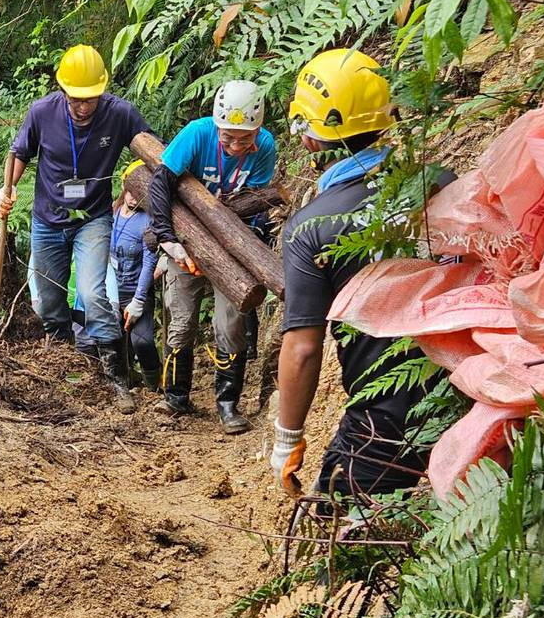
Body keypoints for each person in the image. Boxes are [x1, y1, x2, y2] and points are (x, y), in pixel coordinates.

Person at [270, 49, 432, 501]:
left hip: (386, 411)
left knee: (336, 536)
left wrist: (287, 437)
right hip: (468, 394)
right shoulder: (437, 183)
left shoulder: (312, 226)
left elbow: (303, 349)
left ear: (308, 135)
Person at [0, 44, 152, 413]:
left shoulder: (120, 114)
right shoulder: (41, 112)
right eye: (76, 99)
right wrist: (7, 188)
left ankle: (116, 375)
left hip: (94, 218)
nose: (83, 107)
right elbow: (19, 154)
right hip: (48, 219)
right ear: (63, 90)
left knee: (93, 293)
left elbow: (151, 151)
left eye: (91, 99)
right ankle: (65, 363)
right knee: (49, 300)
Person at [147, 80, 276, 431]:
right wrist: (167, 238)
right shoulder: (196, 134)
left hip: (230, 247)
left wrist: (253, 240)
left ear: (258, 129)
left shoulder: (265, 147)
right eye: (227, 137)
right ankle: (174, 396)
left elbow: (257, 200)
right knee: (182, 319)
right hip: (185, 237)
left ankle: (228, 404)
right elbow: (159, 183)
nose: (235, 146)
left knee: (231, 323)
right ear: (217, 126)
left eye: (243, 138)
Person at [112, 160, 161, 389]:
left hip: (136, 291)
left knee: (142, 341)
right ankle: (125, 382)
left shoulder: (148, 220)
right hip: (112, 290)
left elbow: (150, 261)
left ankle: (154, 385)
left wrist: (139, 300)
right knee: (116, 344)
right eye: (131, 191)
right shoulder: (110, 214)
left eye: (140, 193)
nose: (134, 198)